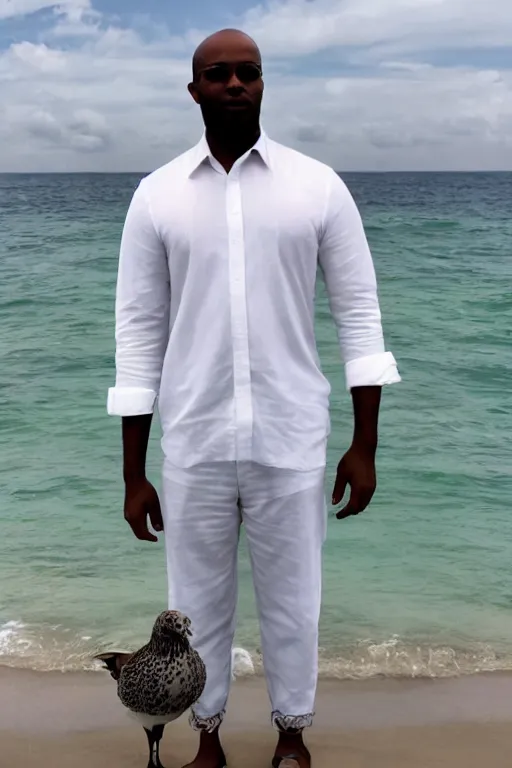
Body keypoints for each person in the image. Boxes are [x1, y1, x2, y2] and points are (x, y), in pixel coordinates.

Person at [107, 28, 400, 768]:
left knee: (294, 602)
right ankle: (206, 738)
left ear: (264, 84)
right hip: (195, 443)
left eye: (248, 73)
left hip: (292, 437)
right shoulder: (157, 197)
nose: (234, 84)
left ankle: (291, 735)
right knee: (193, 607)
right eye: (218, 74)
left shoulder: (318, 187)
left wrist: (364, 446)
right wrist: (132, 473)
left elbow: (361, 320)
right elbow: (138, 337)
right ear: (194, 89)